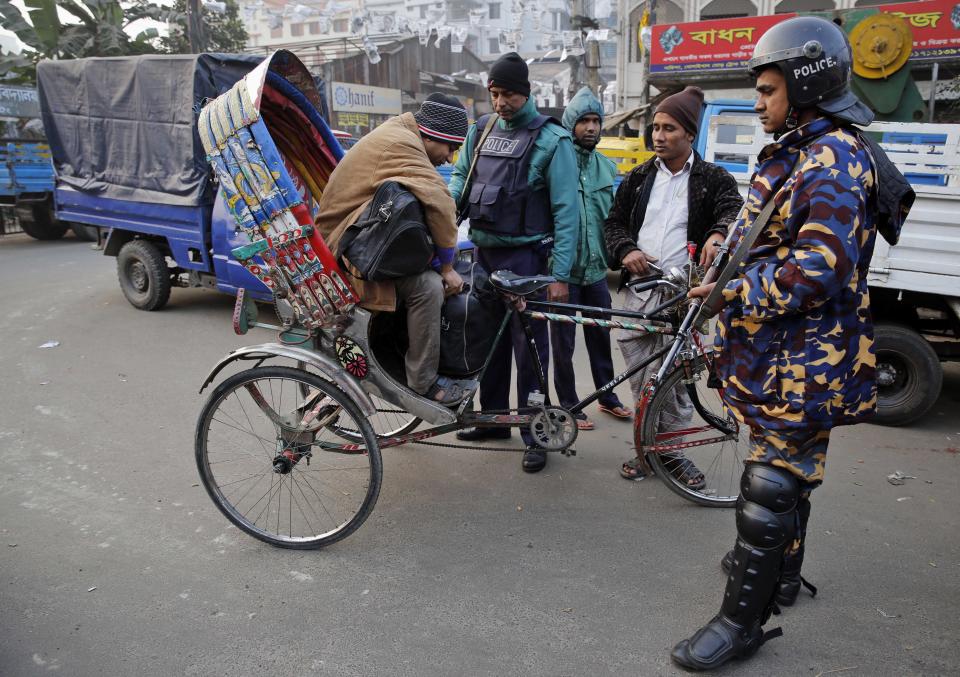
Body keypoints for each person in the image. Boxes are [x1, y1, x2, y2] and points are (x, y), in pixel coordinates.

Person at [671, 17, 911, 670]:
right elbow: (766, 230)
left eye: (768, 90)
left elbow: (818, 268)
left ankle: (739, 623)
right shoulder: (797, 149)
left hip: (803, 358)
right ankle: (779, 575)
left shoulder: (830, 157)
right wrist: (724, 257)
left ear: (805, 89)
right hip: (780, 355)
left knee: (771, 486)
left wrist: (731, 292)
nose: (758, 102)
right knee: (788, 479)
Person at [602, 85, 742, 483]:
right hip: (638, 292)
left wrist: (718, 234)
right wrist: (626, 249)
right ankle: (648, 449)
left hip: (685, 294)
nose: (659, 136)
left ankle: (674, 454)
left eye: (669, 128)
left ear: (690, 136)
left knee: (676, 380)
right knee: (642, 377)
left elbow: (732, 211)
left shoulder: (713, 178)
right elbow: (613, 223)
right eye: (656, 128)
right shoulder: (638, 178)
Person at [448, 52, 579, 473]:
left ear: (526, 92)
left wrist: (559, 274)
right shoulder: (482, 131)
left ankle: (533, 431)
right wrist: (446, 209)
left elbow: (567, 212)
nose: (500, 102)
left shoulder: (552, 140)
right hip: (485, 257)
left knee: (531, 352)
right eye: (494, 93)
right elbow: (460, 178)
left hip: (528, 262)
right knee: (488, 343)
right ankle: (493, 420)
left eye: (508, 94)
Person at [316, 93, 468, 405]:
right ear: (433, 135)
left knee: (427, 273)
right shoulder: (402, 144)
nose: (451, 157)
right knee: (429, 287)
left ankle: (406, 356)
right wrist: (448, 268)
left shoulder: (400, 133)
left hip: (361, 240)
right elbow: (440, 203)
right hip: (350, 251)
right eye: (450, 147)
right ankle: (422, 382)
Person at [550, 87, 631, 430]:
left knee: (600, 336)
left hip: (596, 270)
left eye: (596, 120)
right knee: (563, 343)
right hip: (564, 271)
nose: (591, 127)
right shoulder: (557, 164)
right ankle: (569, 404)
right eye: (583, 120)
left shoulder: (605, 168)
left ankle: (607, 397)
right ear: (570, 124)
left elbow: (610, 219)